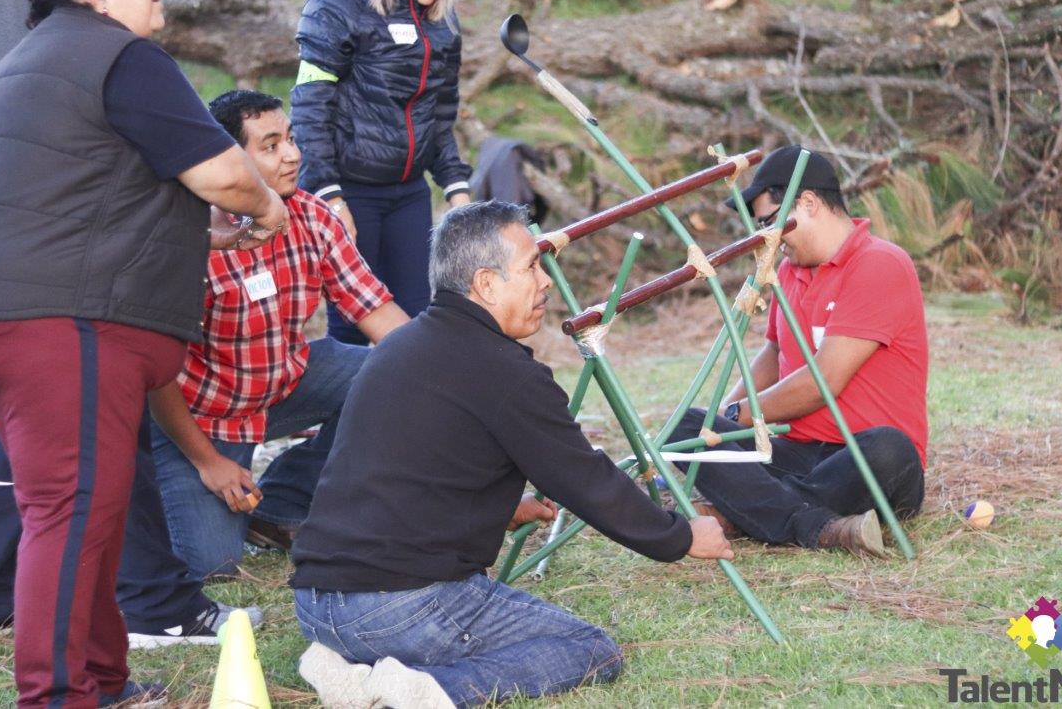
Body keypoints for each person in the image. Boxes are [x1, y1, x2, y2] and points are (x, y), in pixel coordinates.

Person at [0, 0, 289, 708]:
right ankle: (56, 694)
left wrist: (202, 231)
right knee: (69, 510)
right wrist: (268, 208)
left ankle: (103, 680)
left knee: (87, 505)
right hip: (57, 320)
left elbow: (86, 197)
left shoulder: (38, 58)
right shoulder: (120, 54)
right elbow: (226, 174)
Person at [290, 201, 734, 708]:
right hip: (398, 607)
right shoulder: (505, 372)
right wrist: (680, 536)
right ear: (486, 284)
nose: (545, 283)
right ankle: (422, 689)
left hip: (318, 603)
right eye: (532, 267)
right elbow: (585, 479)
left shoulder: (399, 345)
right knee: (590, 650)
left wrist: (500, 508)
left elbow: (400, 471)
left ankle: (348, 665)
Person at [148, 90, 409, 581]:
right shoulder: (186, 238)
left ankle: (285, 501)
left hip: (281, 388)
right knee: (213, 567)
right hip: (198, 419)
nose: (292, 155)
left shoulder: (312, 217)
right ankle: (156, 486)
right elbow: (155, 376)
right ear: (228, 160)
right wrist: (208, 463)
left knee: (398, 373)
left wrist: (447, 372)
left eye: (290, 139)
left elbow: (379, 313)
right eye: (270, 146)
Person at [672, 145, 928, 557]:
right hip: (796, 452)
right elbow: (775, 355)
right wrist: (721, 417)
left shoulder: (880, 263)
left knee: (888, 450)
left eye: (770, 223)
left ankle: (747, 512)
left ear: (808, 203)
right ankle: (812, 523)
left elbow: (823, 382)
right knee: (685, 426)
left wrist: (738, 417)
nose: (768, 240)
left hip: (860, 458)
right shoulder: (788, 272)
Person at [293, 0, 473, 345]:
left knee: (418, 321)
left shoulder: (440, 17)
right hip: (351, 192)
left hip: (409, 192)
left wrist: (457, 188)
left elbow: (439, 111)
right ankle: (350, 395)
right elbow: (310, 106)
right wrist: (330, 196)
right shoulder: (338, 3)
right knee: (353, 326)